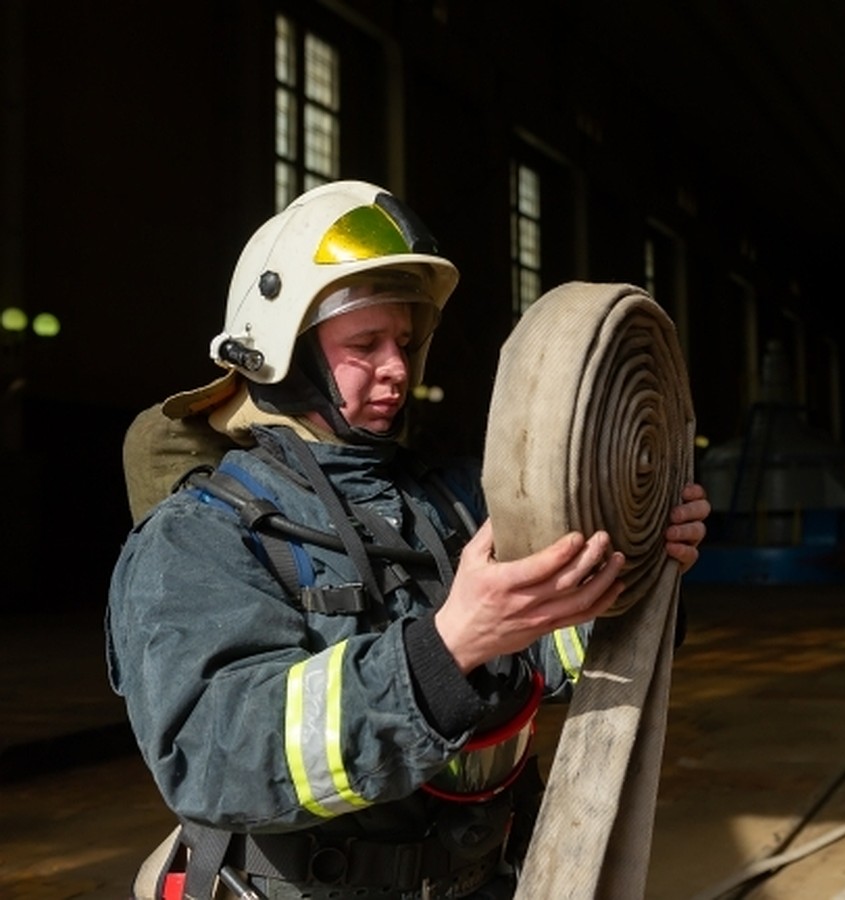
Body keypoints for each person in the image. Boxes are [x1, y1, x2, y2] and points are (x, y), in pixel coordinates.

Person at [106, 179, 711, 900]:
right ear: (280, 353)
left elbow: (550, 658)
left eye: (404, 340)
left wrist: (637, 569)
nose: (396, 368)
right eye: (366, 345)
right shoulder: (199, 538)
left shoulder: (451, 501)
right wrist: (448, 645)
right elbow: (213, 758)